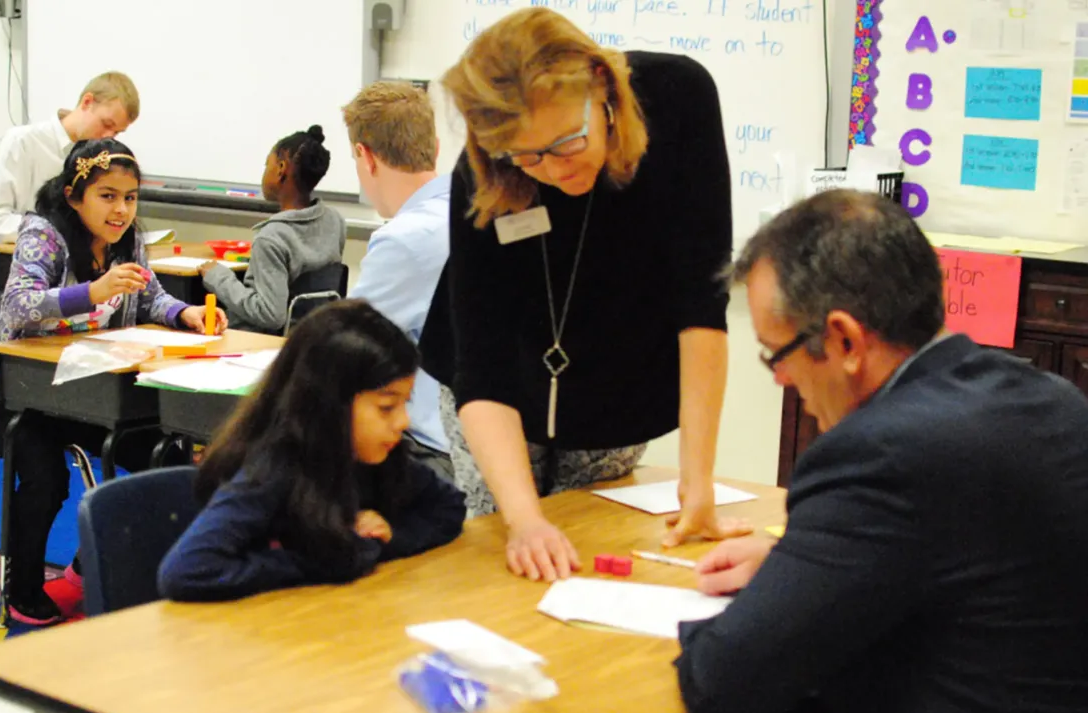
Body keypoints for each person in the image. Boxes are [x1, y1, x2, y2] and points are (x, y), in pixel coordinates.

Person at [674, 190, 1088, 713]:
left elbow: (725, 680)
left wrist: (761, 609)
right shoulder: (1054, 398)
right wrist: (798, 570)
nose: (779, 377)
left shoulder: (878, 454)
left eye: (777, 354)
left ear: (844, 341)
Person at [416, 7, 749, 582]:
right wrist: (523, 520)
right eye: (526, 156)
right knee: (513, 562)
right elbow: (482, 367)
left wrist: (699, 483)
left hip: (617, 387)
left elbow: (701, 305)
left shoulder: (677, 99)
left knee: (596, 562)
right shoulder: (488, 165)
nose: (550, 170)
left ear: (602, 86)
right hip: (498, 398)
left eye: (567, 142)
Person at [0, 139, 228, 625]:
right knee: (47, 480)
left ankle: (89, 566)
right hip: (18, 392)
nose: (121, 210)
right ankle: (21, 587)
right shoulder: (43, 235)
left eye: (130, 197)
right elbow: (18, 306)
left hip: (86, 387)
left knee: (167, 456)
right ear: (74, 196)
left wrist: (186, 312)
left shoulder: (128, 238)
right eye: (107, 196)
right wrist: (91, 291)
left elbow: (150, 295)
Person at [157, 300, 467, 601]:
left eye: (405, 403)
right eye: (387, 407)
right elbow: (188, 571)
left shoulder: (376, 455)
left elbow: (449, 507)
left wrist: (389, 539)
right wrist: (326, 561)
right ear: (330, 404)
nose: (403, 421)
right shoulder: (274, 468)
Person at [340, 81, 452, 480]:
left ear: (364, 157)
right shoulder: (474, 208)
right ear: (435, 149)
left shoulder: (407, 239)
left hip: (430, 451)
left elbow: (347, 349)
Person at [0, 71, 140, 304]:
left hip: (69, 275)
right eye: (106, 124)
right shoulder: (22, 143)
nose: (109, 136)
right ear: (87, 102)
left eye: (117, 132)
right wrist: (56, 234)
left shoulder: (100, 158)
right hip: (1, 277)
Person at [200, 125, 346, 333]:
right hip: (308, 337)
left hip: (258, 343)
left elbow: (270, 314)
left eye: (266, 164)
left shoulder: (272, 237)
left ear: (280, 169)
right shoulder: (335, 221)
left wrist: (217, 277)